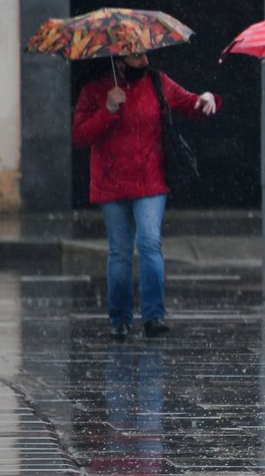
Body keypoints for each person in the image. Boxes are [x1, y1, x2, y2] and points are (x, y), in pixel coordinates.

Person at [72, 51, 218, 340]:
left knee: (150, 243)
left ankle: (154, 316)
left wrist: (207, 100)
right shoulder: (95, 91)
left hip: (150, 181)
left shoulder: (156, 82)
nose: (145, 61)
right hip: (111, 184)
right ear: (119, 60)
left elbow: (190, 104)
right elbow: (80, 136)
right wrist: (108, 109)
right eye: (136, 56)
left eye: (144, 53)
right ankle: (120, 319)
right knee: (120, 252)